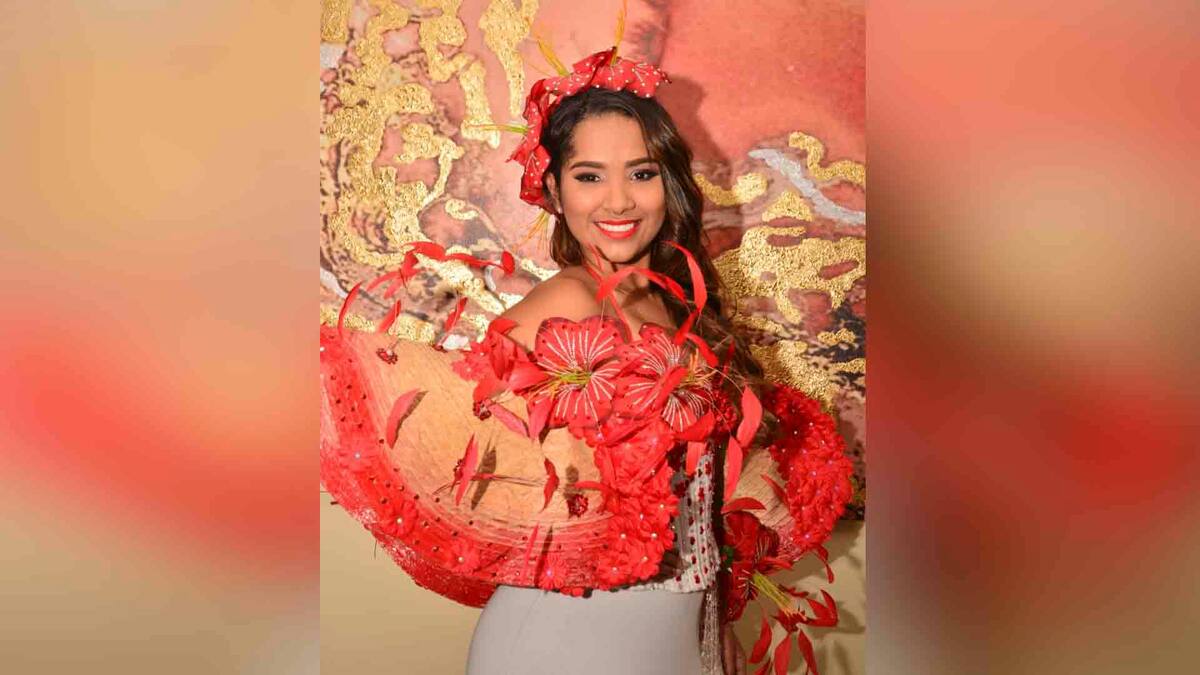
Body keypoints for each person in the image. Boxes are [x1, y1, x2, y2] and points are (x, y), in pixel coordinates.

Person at [465, 85, 755, 675]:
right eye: (590, 176)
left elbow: (702, 497)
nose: (619, 201)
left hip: (678, 636)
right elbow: (474, 460)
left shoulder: (678, 307)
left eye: (642, 174)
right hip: (562, 639)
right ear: (554, 190)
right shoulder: (564, 304)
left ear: (670, 183)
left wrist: (714, 616)